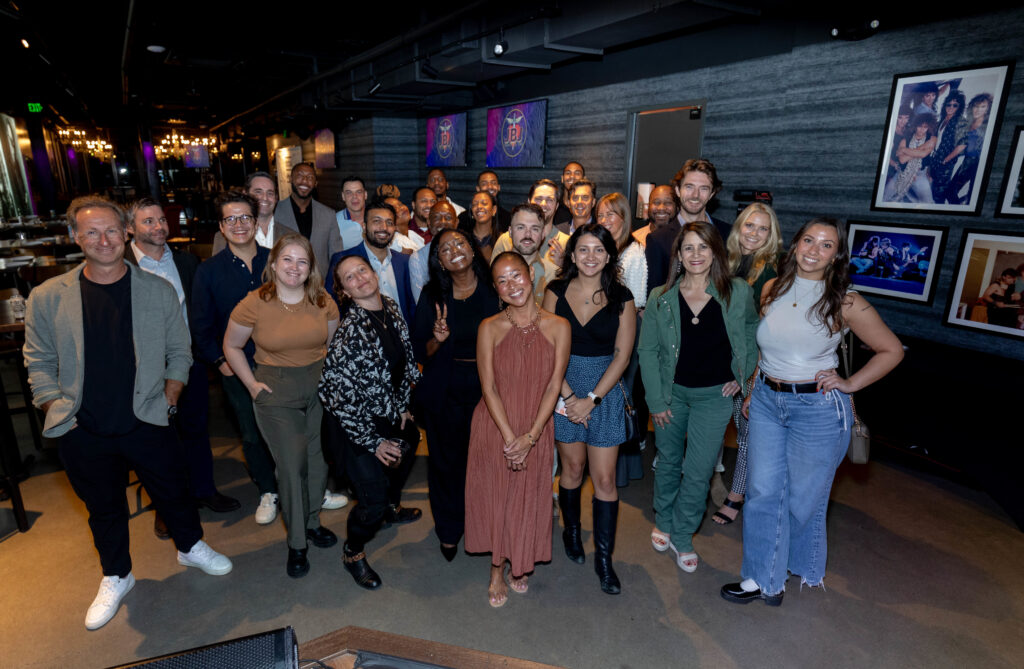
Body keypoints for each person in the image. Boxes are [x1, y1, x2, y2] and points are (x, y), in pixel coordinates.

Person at [23, 195, 232, 631]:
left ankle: (190, 546)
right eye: (92, 231)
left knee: (175, 490)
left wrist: (171, 395)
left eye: (112, 230)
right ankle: (117, 575)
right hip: (83, 426)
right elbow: (37, 361)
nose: (104, 239)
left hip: (149, 417)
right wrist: (55, 407)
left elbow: (180, 350)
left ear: (126, 233)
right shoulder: (48, 297)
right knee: (103, 508)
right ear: (76, 237)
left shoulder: (156, 289)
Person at [721, 218, 903, 607]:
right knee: (763, 492)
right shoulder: (772, 288)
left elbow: (892, 350)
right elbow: (769, 349)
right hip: (768, 402)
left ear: (836, 256)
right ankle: (761, 578)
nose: (813, 250)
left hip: (817, 411)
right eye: (808, 240)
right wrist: (755, 388)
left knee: (802, 499)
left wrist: (850, 384)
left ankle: (788, 565)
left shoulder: (846, 301)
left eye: (825, 245)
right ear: (795, 244)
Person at [638, 221, 758, 574]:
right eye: (687, 247)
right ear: (678, 254)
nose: (695, 254)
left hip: (714, 397)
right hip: (671, 394)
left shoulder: (737, 291)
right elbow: (647, 351)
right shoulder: (661, 297)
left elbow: (752, 328)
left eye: (703, 247)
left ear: (716, 252)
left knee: (700, 469)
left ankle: (685, 533)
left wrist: (742, 374)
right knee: (669, 461)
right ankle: (663, 519)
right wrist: (656, 402)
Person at [222, 234, 341, 578]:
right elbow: (231, 346)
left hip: (319, 389)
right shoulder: (255, 302)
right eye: (287, 259)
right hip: (276, 391)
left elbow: (330, 346)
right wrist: (251, 384)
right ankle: (297, 542)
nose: (294, 267)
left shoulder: (323, 301)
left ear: (310, 268)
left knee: (319, 462)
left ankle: (313, 520)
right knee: (291, 466)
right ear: (273, 264)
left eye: (302, 261)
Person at [126, 198, 240, 539]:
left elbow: (201, 312)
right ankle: (167, 507)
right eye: (148, 222)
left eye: (162, 220)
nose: (159, 227)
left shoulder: (188, 262)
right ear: (131, 228)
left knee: (195, 430)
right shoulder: (121, 266)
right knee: (157, 439)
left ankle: (204, 490)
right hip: (143, 367)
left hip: (187, 362)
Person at [465, 252, 570, 607]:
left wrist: (531, 436)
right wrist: (512, 438)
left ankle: (520, 558)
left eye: (516, 275)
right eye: (503, 281)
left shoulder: (559, 325)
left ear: (531, 274)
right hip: (496, 425)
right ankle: (497, 568)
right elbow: (488, 387)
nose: (513, 285)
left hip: (536, 426)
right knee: (498, 497)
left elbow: (555, 385)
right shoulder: (489, 327)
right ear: (496, 288)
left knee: (527, 496)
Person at [319, 254, 423, 590]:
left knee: (411, 442)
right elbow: (335, 396)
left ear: (373, 272)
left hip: (387, 411)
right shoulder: (350, 333)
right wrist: (374, 442)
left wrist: (404, 405)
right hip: (354, 426)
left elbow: (406, 360)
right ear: (345, 291)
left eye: (361, 270)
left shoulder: (389, 307)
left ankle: (392, 506)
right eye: (349, 278)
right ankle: (353, 551)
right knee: (371, 499)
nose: (360, 278)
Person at [542, 223, 636, 594]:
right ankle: (570, 532)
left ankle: (604, 559)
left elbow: (622, 355)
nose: (591, 257)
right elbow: (547, 349)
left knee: (605, 480)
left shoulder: (622, 297)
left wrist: (591, 399)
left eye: (598, 250)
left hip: (604, 393)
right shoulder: (555, 291)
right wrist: (567, 397)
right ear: (572, 254)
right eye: (583, 250)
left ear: (609, 255)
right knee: (572, 468)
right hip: (562, 387)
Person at [193, 192, 286, 523]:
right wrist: (221, 362)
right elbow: (200, 327)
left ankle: (299, 485)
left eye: (245, 217)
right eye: (230, 219)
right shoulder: (208, 271)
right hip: (237, 367)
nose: (239, 224)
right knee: (251, 431)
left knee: (291, 427)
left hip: (282, 363)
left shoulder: (277, 261)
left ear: (257, 220)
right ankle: (267, 491)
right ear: (221, 226)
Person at [412, 229, 500, 561]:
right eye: (444, 249)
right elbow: (422, 350)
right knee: (446, 465)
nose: (454, 250)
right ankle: (449, 530)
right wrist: (438, 338)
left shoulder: (495, 289)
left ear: (473, 249)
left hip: (488, 389)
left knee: (487, 464)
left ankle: (484, 525)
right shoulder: (432, 295)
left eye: (459, 243)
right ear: (439, 262)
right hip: (445, 390)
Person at [712, 203, 784, 525]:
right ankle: (709, 482)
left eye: (763, 228)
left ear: (772, 236)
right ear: (739, 227)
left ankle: (736, 494)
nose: (754, 233)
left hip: (747, 365)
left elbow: (765, 331)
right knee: (712, 430)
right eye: (749, 226)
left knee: (746, 433)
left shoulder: (770, 273)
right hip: (714, 362)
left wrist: (750, 376)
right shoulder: (722, 262)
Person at [595, 193, 648, 487]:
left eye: (611, 215)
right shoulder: (602, 248)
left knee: (621, 398)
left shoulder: (633, 253)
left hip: (626, 331)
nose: (605, 221)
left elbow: (635, 301)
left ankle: (620, 473)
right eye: (600, 215)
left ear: (624, 219)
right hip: (604, 332)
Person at [325, 198, 416, 325]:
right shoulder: (343, 260)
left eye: (389, 222)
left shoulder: (404, 261)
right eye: (376, 221)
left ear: (394, 228)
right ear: (364, 226)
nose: (383, 227)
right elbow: (331, 306)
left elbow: (411, 306)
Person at [646, 159, 732, 291]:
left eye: (703, 188)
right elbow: (656, 295)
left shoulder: (728, 233)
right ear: (678, 190)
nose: (695, 195)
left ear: (711, 194)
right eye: (689, 187)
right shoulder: (658, 240)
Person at [274, 162, 342, 273]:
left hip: (320, 283)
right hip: (286, 281)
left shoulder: (328, 214)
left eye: (310, 177)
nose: (305, 181)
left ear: (316, 183)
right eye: (300, 176)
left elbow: (336, 255)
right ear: (291, 179)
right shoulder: (276, 211)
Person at [212, 171, 297, 253]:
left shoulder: (291, 235)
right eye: (258, 192)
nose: (265, 198)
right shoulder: (224, 236)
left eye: (270, 193)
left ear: (276, 198)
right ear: (245, 194)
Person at [491, 179, 570, 266]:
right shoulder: (506, 240)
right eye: (538, 199)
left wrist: (563, 267)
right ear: (529, 201)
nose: (543, 204)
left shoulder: (565, 243)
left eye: (549, 200)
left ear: (557, 206)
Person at [940, 93, 993, 205]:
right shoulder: (968, 123)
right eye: (976, 106)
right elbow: (963, 145)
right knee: (950, 191)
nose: (978, 110)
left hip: (980, 163)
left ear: (988, 109)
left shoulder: (989, 125)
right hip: (967, 162)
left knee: (973, 197)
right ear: (971, 107)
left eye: (982, 107)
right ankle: (960, 206)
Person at [505, 203, 560, 304]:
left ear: (543, 233)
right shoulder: (494, 273)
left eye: (535, 229)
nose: (528, 234)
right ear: (510, 231)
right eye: (521, 227)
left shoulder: (554, 275)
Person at [409, 201, 459, 302]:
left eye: (448, 218)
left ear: (456, 223)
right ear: (429, 222)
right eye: (437, 218)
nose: (443, 222)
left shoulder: (465, 250)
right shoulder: (418, 258)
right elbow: (420, 300)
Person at [883, 113, 937, 203]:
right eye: (920, 126)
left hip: (920, 174)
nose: (922, 129)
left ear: (929, 128)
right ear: (915, 126)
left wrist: (904, 150)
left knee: (928, 202)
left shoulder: (931, 139)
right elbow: (902, 160)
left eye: (925, 127)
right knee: (885, 197)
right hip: (903, 172)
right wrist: (921, 149)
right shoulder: (905, 139)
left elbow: (923, 154)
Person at [928, 90, 966, 201]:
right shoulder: (942, 120)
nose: (951, 107)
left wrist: (946, 160)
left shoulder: (960, 121)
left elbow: (962, 145)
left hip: (945, 164)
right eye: (948, 104)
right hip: (934, 159)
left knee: (939, 194)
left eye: (955, 105)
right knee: (932, 191)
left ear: (959, 107)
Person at [457, 170, 512, 234]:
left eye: (493, 183)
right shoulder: (464, 218)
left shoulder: (507, 218)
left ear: (498, 187)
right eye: (484, 184)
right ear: (478, 189)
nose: (489, 187)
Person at [459, 190, 499, 262]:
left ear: (494, 210)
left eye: (484, 203)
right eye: (475, 204)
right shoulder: (463, 239)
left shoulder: (502, 240)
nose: (479, 207)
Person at [336, 175, 368, 249]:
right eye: (349, 193)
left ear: (365, 195)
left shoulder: (377, 217)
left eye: (359, 192)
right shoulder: (334, 222)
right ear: (343, 196)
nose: (354, 196)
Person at [554, 161, 585, 228]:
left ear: (584, 179)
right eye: (568, 173)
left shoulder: (590, 208)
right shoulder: (554, 207)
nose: (572, 176)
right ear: (562, 179)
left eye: (577, 173)